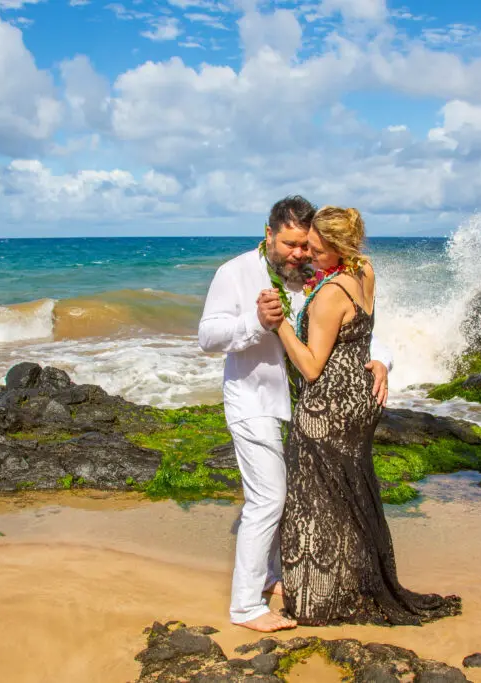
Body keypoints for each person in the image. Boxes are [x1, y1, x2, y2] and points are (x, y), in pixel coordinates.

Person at [197, 196, 392, 633]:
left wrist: (383, 360)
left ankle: (271, 577)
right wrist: (254, 321)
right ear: (269, 235)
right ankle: (245, 607)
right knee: (268, 499)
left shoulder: (318, 273)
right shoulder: (234, 273)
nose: (299, 255)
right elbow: (207, 337)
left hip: (307, 410)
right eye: (289, 245)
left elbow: (355, 325)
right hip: (255, 401)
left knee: (288, 499)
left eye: (306, 245)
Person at [272, 206, 462, 626]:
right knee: (350, 494)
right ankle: (357, 581)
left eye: (317, 249)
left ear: (338, 248)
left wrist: (280, 323)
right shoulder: (364, 272)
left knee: (313, 499)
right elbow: (362, 336)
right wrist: (380, 362)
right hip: (361, 400)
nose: (309, 254)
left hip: (327, 406)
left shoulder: (330, 294)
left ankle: (318, 601)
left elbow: (310, 366)